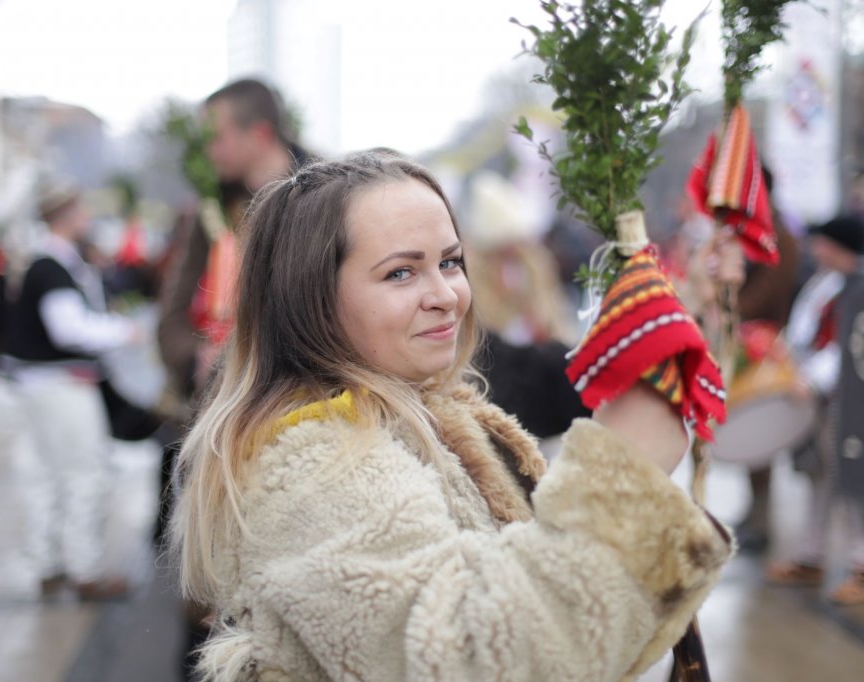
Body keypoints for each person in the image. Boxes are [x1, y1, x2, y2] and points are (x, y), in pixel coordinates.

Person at [170, 152, 732, 681]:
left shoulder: (438, 409)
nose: (446, 295)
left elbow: (583, 647)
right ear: (310, 299)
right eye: (400, 273)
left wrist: (687, 309)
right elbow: (470, 660)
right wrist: (621, 479)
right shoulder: (314, 463)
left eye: (450, 262)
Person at [155, 77, 312, 679]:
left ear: (260, 134)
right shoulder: (208, 213)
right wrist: (196, 355)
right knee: (206, 612)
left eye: (218, 136)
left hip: (305, 430)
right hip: (216, 434)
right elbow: (168, 320)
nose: (210, 151)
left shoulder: (328, 195)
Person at [0, 184, 141, 600]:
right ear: (65, 213)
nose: (87, 215)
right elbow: (69, 329)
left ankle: (50, 565)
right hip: (61, 384)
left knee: (47, 474)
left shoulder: (48, 262)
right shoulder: (52, 266)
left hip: (41, 384)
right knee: (84, 473)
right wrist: (123, 331)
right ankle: (85, 571)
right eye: (80, 208)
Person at [766, 215, 864, 605]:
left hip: (849, 404)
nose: (816, 249)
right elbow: (809, 334)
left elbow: (849, 353)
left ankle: (862, 568)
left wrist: (812, 381)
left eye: (823, 243)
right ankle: (810, 556)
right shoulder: (832, 283)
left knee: (854, 484)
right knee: (820, 480)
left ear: (837, 246)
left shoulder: (863, 290)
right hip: (827, 402)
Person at [732, 169, 801, 554]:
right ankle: (755, 511)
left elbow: (769, 289)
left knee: (763, 431)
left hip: (767, 342)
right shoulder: (753, 228)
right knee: (749, 430)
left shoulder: (778, 234)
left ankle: (762, 517)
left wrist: (729, 313)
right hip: (750, 338)